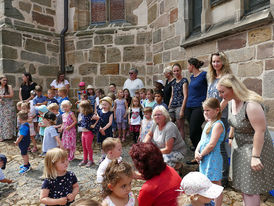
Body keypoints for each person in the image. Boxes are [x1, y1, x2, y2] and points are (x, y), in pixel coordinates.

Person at [217, 74, 274, 206]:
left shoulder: (251, 105)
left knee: (250, 188)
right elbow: (233, 121)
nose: (220, 95)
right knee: (243, 184)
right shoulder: (231, 101)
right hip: (240, 146)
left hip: (255, 147)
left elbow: (260, 131)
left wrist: (255, 156)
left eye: (222, 91)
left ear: (234, 89)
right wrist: (231, 136)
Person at [207, 52, 232, 185]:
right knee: (211, 144)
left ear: (223, 62)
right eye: (213, 61)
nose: (215, 64)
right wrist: (207, 113)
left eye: (218, 61)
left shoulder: (227, 77)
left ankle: (223, 177)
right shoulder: (211, 77)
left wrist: (216, 113)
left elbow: (226, 98)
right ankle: (213, 173)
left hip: (221, 116)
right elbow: (208, 96)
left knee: (220, 146)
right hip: (211, 115)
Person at [195, 98, 225, 206]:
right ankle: (208, 203)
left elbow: (211, 144)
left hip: (212, 158)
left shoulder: (218, 124)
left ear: (217, 110)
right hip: (204, 157)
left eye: (208, 110)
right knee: (206, 182)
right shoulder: (208, 123)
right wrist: (196, 152)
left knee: (215, 184)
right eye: (204, 110)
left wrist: (201, 154)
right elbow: (202, 140)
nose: (205, 113)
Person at [185, 58, 207, 153]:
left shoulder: (203, 75)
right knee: (196, 131)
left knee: (193, 132)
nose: (187, 67)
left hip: (198, 106)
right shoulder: (192, 77)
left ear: (192, 65)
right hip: (189, 106)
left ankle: (200, 152)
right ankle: (198, 153)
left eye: (188, 65)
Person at [168, 63, 188, 139]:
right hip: (172, 106)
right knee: (169, 125)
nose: (176, 72)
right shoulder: (173, 82)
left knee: (180, 127)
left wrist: (182, 110)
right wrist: (169, 107)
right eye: (174, 71)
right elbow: (172, 95)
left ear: (180, 71)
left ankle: (182, 146)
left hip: (180, 105)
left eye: (177, 70)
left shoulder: (184, 81)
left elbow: (185, 96)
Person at [78, 100, 100, 167]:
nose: (79, 109)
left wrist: (94, 125)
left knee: (88, 147)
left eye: (81, 108)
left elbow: (98, 118)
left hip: (89, 133)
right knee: (84, 147)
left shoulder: (91, 115)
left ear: (85, 108)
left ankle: (91, 160)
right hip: (83, 133)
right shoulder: (83, 115)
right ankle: (85, 159)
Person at [0, 75, 16, 141]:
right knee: (2, 121)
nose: (5, 81)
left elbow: (12, 95)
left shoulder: (9, 87)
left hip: (9, 106)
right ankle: (2, 136)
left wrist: (3, 96)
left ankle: (9, 135)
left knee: (8, 121)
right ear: (0, 80)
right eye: (4, 80)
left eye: (6, 80)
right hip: (1, 106)